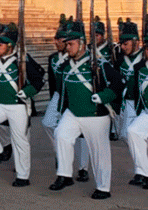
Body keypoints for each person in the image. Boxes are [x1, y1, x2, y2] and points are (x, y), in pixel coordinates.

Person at [49, 19, 123, 200]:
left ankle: (103, 187)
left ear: (81, 43)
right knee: (61, 134)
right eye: (66, 44)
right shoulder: (65, 66)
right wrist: (61, 110)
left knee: (99, 152)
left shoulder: (99, 64)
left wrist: (103, 97)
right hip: (73, 112)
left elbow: (117, 85)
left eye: (71, 44)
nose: (68, 47)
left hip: (95, 114)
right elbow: (63, 91)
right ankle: (65, 175)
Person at [0, 22, 44, 187]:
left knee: (20, 141)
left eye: (0, 44)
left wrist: (27, 92)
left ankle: (23, 176)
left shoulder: (22, 60)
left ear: (10, 46)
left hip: (18, 105)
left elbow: (39, 79)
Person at [41, 16, 89, 181]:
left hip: (78, 95)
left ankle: (83, 168)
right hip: (59, 95)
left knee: (82, 135)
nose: (57, 43)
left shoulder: (79, 55)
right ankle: (61, 155)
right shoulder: (53, 58)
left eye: (60, 40)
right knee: (48, 123)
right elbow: (52, 80)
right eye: (57, 39)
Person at [125, 28, 148, 189]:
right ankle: (143, 172)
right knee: (132, 131)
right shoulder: (140, 67)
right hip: (145, 111)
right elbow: (135, 90)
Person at [115, 19, 142, 147]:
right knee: (126, 136)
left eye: (126, 43)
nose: (123, 47)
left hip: (142, 105)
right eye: (122, 44)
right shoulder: (120, 59)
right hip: (127, 103)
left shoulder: (144, 57)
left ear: (136, 41)